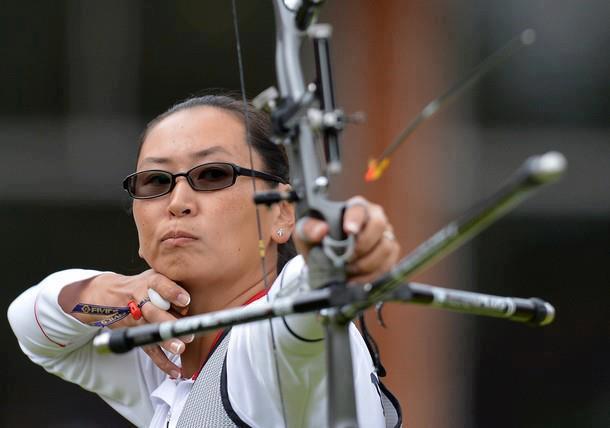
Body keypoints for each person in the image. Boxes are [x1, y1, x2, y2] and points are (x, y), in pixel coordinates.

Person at [8, 94, 401, 427]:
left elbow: (304, 299)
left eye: (213, 174)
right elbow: (30, 322)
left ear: (282, 212)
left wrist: (341, 248)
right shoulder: (165, 360)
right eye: (156, 181)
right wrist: (114, 295)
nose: (177, 202)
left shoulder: (276, 342)